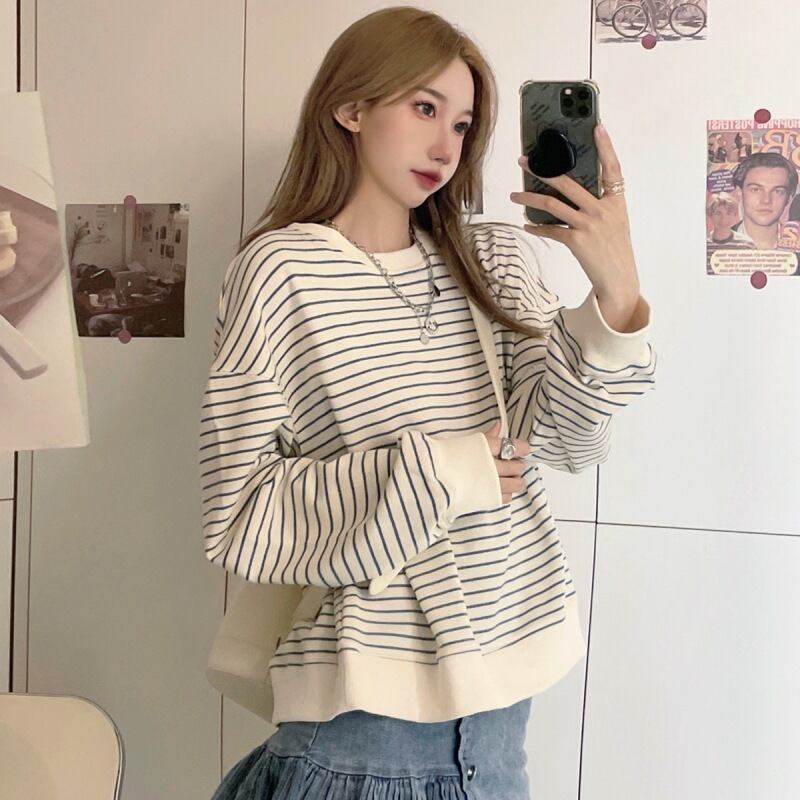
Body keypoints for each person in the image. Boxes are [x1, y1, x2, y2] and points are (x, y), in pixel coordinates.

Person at [200, 6, 656, 798]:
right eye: (424, 108)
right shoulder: (281, 272)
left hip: (501, 730)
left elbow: (569, 445)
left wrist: (615, 292)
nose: (447, 146)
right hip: (360, 735)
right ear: (351, 106)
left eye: (463, 123)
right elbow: (238, 513)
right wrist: (446, 472)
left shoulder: (491, 258)